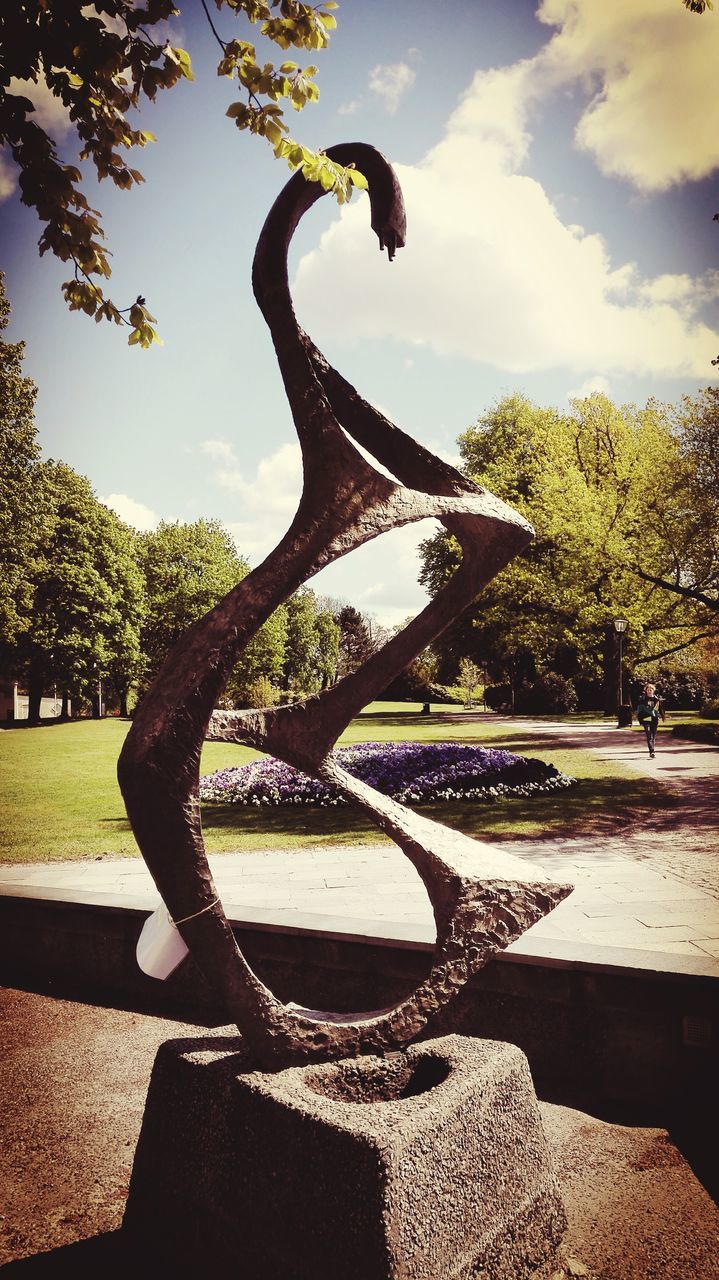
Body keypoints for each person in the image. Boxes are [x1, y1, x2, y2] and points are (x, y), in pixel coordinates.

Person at [635, 683, 665, 758]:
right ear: (646, 691)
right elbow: (639, 710)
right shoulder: (642, 699)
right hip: (646, 719)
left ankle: (652, 750)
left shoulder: (656, 699)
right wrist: (640, 719)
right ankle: (652, 751)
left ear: (653, 691)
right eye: (648, 690)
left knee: (653, 736)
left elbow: (660, 709)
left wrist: (663, 716)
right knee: (649, 736)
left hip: (654, 719)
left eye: (651, 690)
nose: (649, 691)